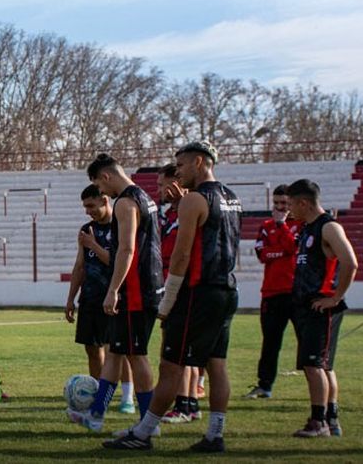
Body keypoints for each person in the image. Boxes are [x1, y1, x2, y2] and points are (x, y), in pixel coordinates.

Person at [104, 141, 240, 453]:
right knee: (216, 364)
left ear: (200, 162)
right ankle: (215, 434)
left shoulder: (195, 199)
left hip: (197, 293)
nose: (177, 172)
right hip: (226, 289)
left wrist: (169, 300)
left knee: (171, 366)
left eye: (181, 165)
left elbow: (181, 256)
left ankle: (143, 433)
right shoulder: (232, 198)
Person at [69, 153, 161, 433]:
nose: (102, 190)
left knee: (137, 355)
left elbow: (127, 249)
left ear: (105, 177)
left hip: (135, 291)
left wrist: (114, 290)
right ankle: (95, 416)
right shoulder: (146, 198)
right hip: (145, 286)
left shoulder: (126, 202)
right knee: (116, 354)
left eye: (99, 183)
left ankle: (149, 423)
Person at [287, 178, 357, 438]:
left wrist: (335, 298)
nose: (289, 210)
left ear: (304, 203)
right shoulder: (307, 228)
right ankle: (331, 419)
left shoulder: (328, 227)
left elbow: (351, 262)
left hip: (321, 306)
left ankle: (319, 422)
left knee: (314, 365)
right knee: (321, 365)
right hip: (306, 305)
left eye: (292, 204)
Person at [246, 184, 301, 399]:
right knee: (270, 342)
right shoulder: (266, 225)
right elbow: (262, 254)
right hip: (271, 291)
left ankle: (317, 383)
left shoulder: (300, 225)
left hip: (296, 291)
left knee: (305, 341)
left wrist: (282, 229)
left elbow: (292, 248)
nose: (280, 208)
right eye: (277, 203)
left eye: (284, 204)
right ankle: (264, 385)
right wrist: (280, 251)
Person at [155, 164, 200, 425]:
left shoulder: (187, 212)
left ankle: (183, 405)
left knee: (176, 350)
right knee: (185, 349)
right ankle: (190, 403)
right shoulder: (169, 214)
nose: (159, 190)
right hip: (173, 282)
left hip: (183, 286)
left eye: (163, 184)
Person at [64, 186, 116, 380]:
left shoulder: (119, 226)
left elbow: (116, 261)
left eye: (91, 206)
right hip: (90, 298)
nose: (88, 211)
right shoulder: (86, 230)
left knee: (115, 350)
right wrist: (71, 299)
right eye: (85, 207)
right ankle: (97, 389)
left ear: (104, 200)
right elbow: (80, 266)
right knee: (92, 350)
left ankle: (122, 394)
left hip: (113, 297)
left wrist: (93, 245)